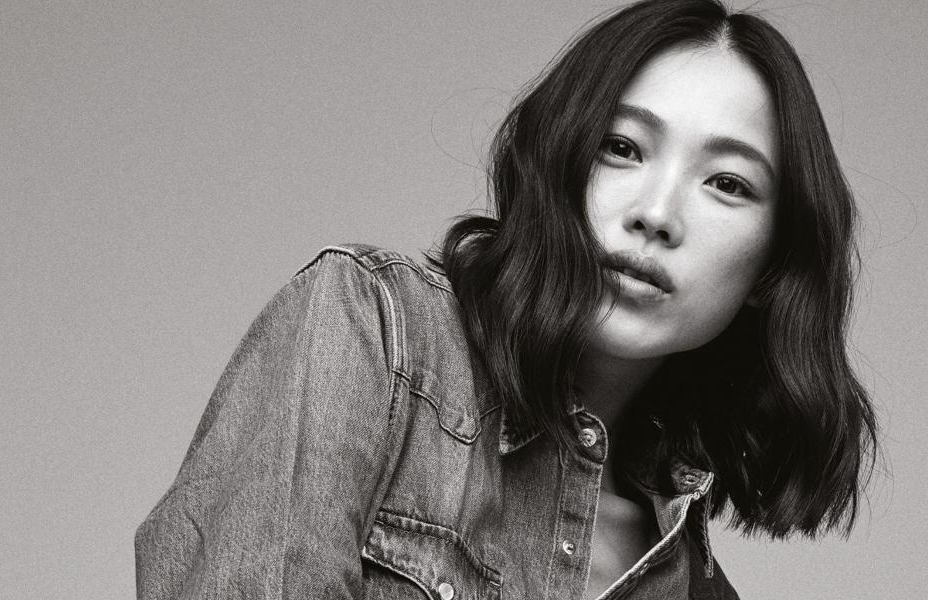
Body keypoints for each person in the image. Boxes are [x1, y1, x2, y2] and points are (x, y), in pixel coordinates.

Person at [135, 0, 878, 598]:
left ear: (772, 267)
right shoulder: (374, 334)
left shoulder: (691, 586)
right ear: (559, 160)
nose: (656, 214)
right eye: (621, 147)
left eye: (728, 184)